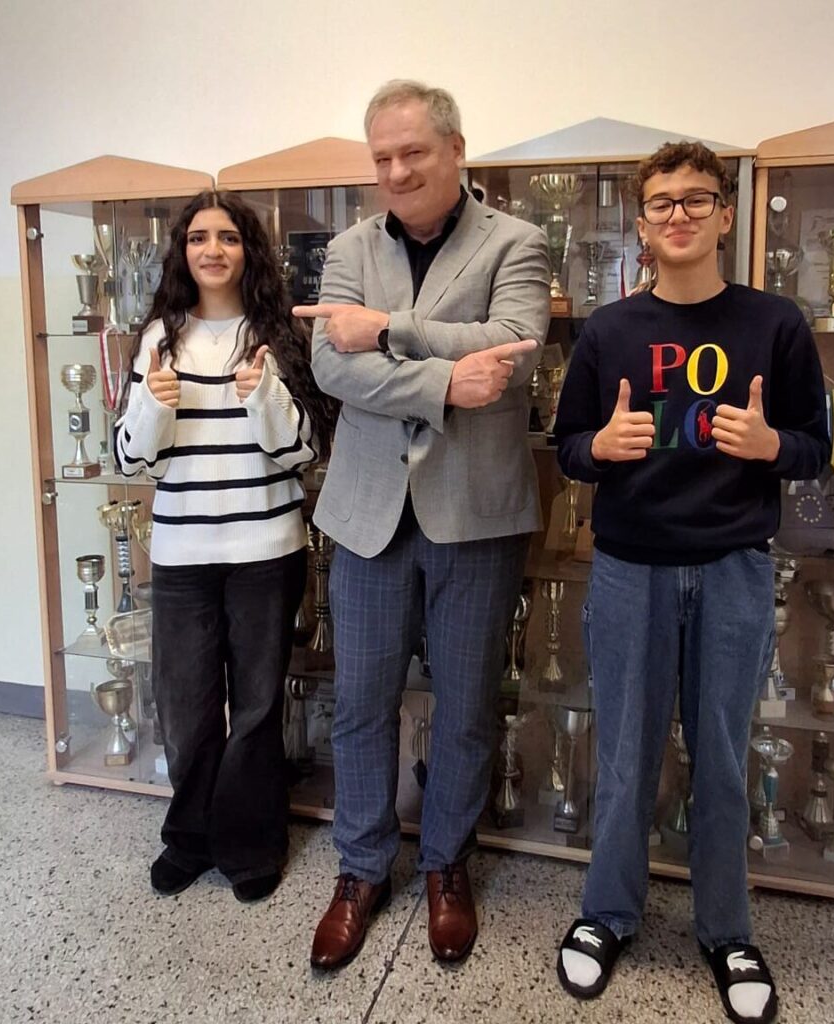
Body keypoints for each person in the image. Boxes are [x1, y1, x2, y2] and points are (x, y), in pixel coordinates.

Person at [552, 141, 829, 1024]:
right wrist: (599, 448)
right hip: (629, 569)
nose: (679, 214)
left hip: (734, 570)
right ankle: (606, 913)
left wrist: (771, 446)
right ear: (640, 222)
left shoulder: (775, 324)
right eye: (662, 202)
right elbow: (567, 448)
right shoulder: (608, 332)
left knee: (723, 758)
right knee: (625, 754)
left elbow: (815, 450)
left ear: (725, 214)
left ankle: (727, 930)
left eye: (696, 199)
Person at [293, 79, 551, 969]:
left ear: (456, 149)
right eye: (383, 158)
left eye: (413, 152)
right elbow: (331, 368)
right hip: (368, 515)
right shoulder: (348, 249)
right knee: (361, 704)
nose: (397, 172)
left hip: (476, 515)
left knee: (467, 705)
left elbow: (514, 351)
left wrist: (384, 328)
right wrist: (444, 378)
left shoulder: (517, 241)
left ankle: (445, 862)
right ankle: (361, 869)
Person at [115, 190, 337, 904]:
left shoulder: (276, 334)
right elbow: (132, 460)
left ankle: (249, 844)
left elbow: (302, 451)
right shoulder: (159, 337)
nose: (213, 250)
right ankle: (190, 837)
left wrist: (264, 394)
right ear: (182, 251)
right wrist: (153, 404)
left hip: (266, 550)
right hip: (182, 554)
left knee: (257, 707)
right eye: (199, 238)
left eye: (229, 237)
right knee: (185, 708)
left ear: (249, 251)